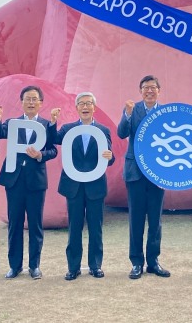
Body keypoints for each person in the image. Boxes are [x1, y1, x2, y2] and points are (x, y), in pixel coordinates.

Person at [0, 85, 60, 280]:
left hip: (36, 182)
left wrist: (41, 155)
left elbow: (54, 150)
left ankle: (35, 266)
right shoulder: (12, 123)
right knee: (14, 224)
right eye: (27, 99)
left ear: (41, 103)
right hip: (14, 180)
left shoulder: (47, 125)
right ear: (21, 102)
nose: (31, 102)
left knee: (35, 224)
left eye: (34, 99)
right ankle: (14, 266)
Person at [55, 92, 115, 280]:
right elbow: (51, 139)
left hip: (95, 186)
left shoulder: (103, 130)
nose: (85, 106)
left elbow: (109, 157)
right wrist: (52, 121)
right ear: (77, 108)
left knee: (96, 227)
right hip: (73, 186)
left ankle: (95, 266)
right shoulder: (67, 129)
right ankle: (73, 267)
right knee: (74, 227)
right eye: (81, 103)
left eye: (89, 103)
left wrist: (110, 156)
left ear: (94, 108)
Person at [117, 75, 170, 279]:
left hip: (158, 174)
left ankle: (153, 261)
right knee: (136, 219)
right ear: (140, 91)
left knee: (155, 221)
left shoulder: (165, 112)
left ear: (159, 90)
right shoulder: (132, 109)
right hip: (136, 173)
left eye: (153, 87)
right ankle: (136, 262)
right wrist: (127, 115)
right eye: (146, 88)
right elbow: (121, 133)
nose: (149, 91)